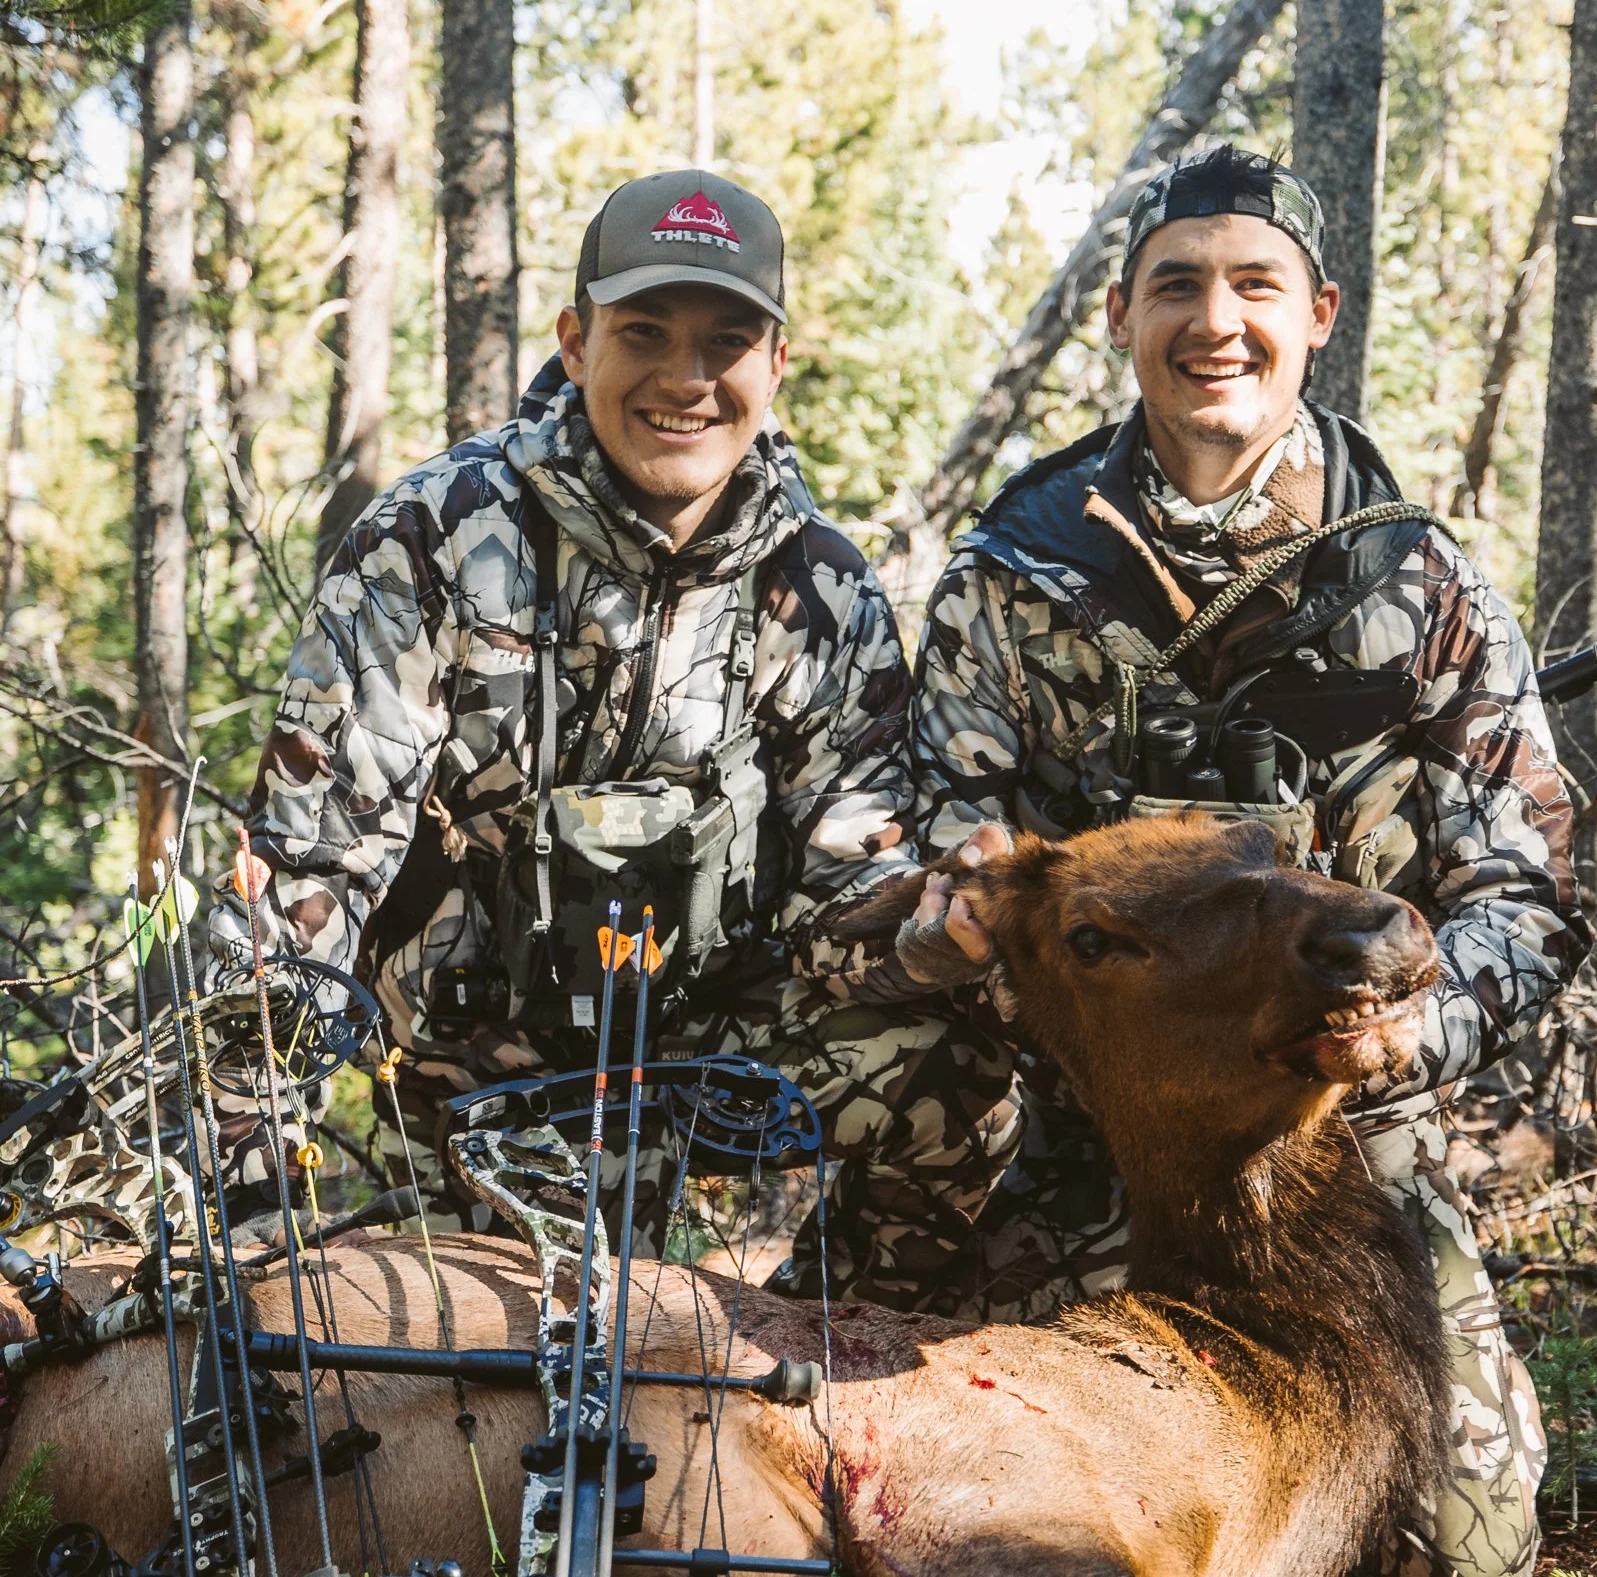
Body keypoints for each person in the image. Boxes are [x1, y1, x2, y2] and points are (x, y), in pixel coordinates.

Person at [902, 144, 1583, 1577]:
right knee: (934, 1472)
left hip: (1336, 1131)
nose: (1216, 321)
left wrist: (1411, 1031)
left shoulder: (1423, 585)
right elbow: (948, 844)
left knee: (1459, 1556)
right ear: (1120, 317)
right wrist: (960, 917)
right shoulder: (1013, 577)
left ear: (1317, 314)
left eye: (1254, 285)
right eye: (1176, 286)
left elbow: (1524, 896)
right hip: (1086, 1120)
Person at [218, 168, 1017, 1306]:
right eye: (644, 332)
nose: (686, 380)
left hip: (712, 1049)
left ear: (776, 363)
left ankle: (831, 1346)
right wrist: (246, 1205)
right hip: (474, 1069)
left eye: (727, 341)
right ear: (574, 339)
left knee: (958, 1080)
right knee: (483, 1364)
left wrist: (928, 932)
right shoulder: (433, 538)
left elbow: (845, 885)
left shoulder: (823, 591)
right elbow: (308, 872)